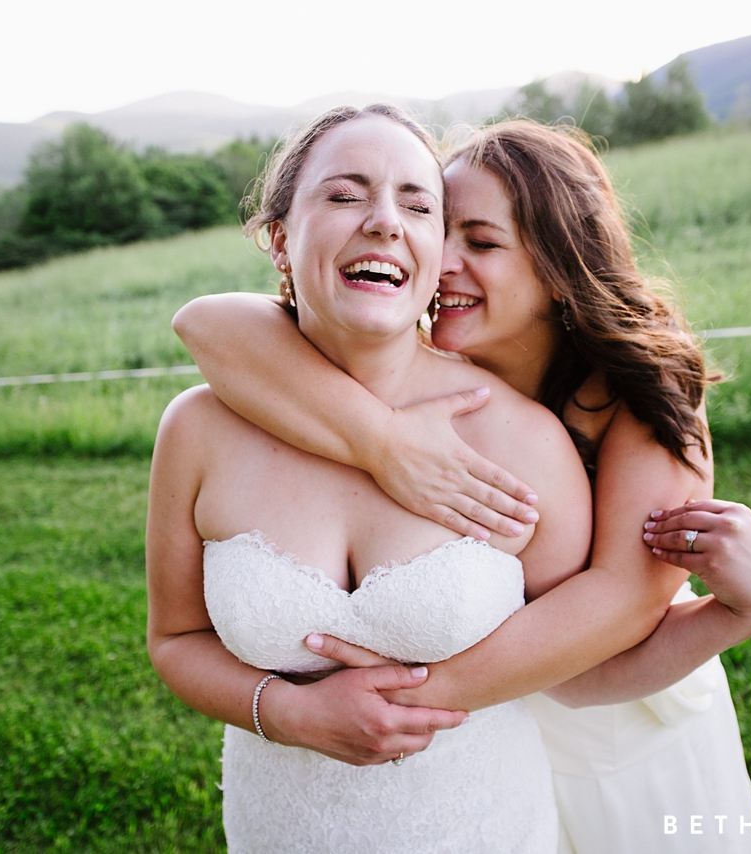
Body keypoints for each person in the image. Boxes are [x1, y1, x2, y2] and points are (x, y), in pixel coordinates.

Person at [173, 119, 751, 852]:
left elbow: (624, 599)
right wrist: (386, 442)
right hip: (484, 725)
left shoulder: (639, 384)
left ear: (558, 267)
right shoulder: (412, 349)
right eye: (446, 229)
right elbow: (208, 323)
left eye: (482, 243)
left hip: (609, 709)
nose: (441, 261)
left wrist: (400, 704)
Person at [147, 105, 596, 853]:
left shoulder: (521, 439)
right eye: (346, 195)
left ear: (435, 251)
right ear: (282, 241)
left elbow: (585, 649)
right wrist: (286, 714)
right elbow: (176, 639)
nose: (386, 222)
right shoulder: (197, 430)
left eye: (419, 206)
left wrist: (732, 613)